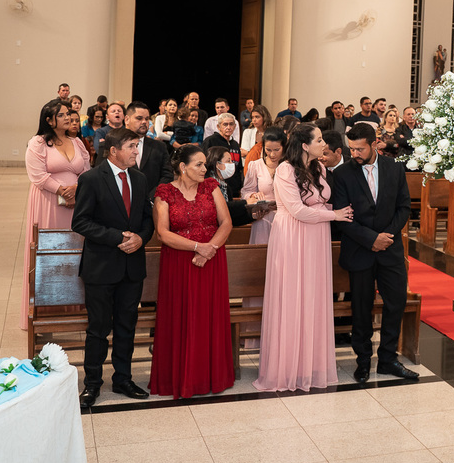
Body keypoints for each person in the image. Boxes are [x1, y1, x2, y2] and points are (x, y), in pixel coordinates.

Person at [254, 124, 353, 392]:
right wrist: (334, 215)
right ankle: (288, 368)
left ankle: (311, 365)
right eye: (319, 140)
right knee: (293, 297)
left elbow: (320, 201)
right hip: (293, 237)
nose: (324, 144)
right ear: (305, 145)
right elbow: (297, 210)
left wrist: (336, 211)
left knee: (313, 297)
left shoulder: (319, 167)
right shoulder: (285, 170)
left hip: (316, 236)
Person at [72, 128, 155, 407]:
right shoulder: (92, 179)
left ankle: (122, 379)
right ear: (114, 150)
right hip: (101, 266)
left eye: (137, 146)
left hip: (132, 266)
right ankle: (92, 384)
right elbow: (80, 222)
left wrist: (141, 238)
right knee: (98, 328)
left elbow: (147, 219)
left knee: (126, 326)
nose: (136, 151)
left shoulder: (140, 179)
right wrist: (118, 237)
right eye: (131, 146)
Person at [330, 123, 417, 383]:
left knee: (395, 303)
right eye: (351, 148)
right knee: (361, 308)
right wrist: (371, 240)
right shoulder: (342, 173)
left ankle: (388, 359)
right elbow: (342, 217)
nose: (354, 153)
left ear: (374, 144)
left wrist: (385, 237)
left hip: (390, 249)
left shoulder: (394, 167)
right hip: (359, 250)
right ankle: (363, 361)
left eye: (360, 149)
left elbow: (404, 207)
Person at [150, 144, 235, 399]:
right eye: (198, 164)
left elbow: (226, 223)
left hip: (211, 262)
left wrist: (209, 250)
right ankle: (182, 377)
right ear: (182, 167)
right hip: (179, 263)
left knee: (209, 317)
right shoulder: (164, 193)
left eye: (204, 164)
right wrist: (198, 247)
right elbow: (163, 233)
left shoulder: (211, 187)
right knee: (181, 318)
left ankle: (211, 376)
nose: (204, 169)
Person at [21, 98, 89, 330]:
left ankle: (72, 309)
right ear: (49, 120)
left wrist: (77, 189)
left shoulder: (77, 142)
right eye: (61, 115)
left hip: (75, 204)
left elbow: (86, 170)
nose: (68, 118)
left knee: (73, 254)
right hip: (48, 203)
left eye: (68, 114)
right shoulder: (38, 143)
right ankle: (44, 310)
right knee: (48, 254)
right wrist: (63, 191)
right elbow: (37, 175)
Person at [240, 128, 284, 348]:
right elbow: (245, 191)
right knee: (260, 273)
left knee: (282, 274)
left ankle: (280, 333)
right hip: (262, 222)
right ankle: (254, 334)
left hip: (284, 223)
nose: (272, 154)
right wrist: (253, 196)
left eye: (277, 150)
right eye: (268, 150)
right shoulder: (256, 165)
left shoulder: (289, 166)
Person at [122, 101, 172, 187]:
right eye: (139, 118)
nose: (144, 122)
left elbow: (167, 175)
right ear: (127, 120)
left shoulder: (159, 147)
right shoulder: (114, 144)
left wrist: (155, 194)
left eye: (147, 119)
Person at [203, 113, 243, 196]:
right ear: (218, 127)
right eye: (225, 124)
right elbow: (204, 165)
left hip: (234, 190)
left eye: (231, 124)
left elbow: (239, 168)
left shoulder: (235, 144)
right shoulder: (210, 141)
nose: (228, 127)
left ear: (235, 126)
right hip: (215, 189)